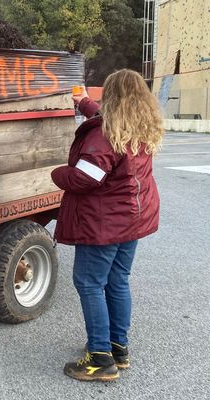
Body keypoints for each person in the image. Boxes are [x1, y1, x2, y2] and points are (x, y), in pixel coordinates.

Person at [51, 69, 164, 382]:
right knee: (117, 280)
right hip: (133, 219)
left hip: (105, 224)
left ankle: (100, 358)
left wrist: (56, 173)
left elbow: (85, 178)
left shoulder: (104, 135)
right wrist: (83, 102)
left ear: (112, 96)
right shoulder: (139, 126)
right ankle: (118, 348)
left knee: (89, 283)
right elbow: (104, 119)